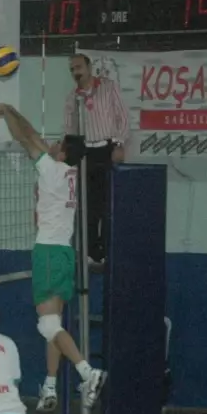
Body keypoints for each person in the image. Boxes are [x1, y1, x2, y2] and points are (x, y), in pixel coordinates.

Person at [0, 102, 108, 412]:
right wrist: (10, 108)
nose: (50, 144)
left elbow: (25, 139)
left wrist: (5, 114)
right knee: (53, 322)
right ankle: (50, 385)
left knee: (47, 325)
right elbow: (33, 136)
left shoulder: (51, 169)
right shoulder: (71, 174)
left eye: (57, 143)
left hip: (49, 253)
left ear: (62, 153)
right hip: (65, 253)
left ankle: (87, 372)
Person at [63, 53, 130, 268]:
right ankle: (92, 254)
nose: (76, 72)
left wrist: (119, 144)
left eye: (79, 67)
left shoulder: (109, 87)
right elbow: (69, 128)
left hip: (107, 149)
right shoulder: (72, 97)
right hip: (86, 154)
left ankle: (109, 252)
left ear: (90, 67)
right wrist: (70, 154)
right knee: (88, 207)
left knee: (108, 204)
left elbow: (123, 117)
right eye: (72, 69)